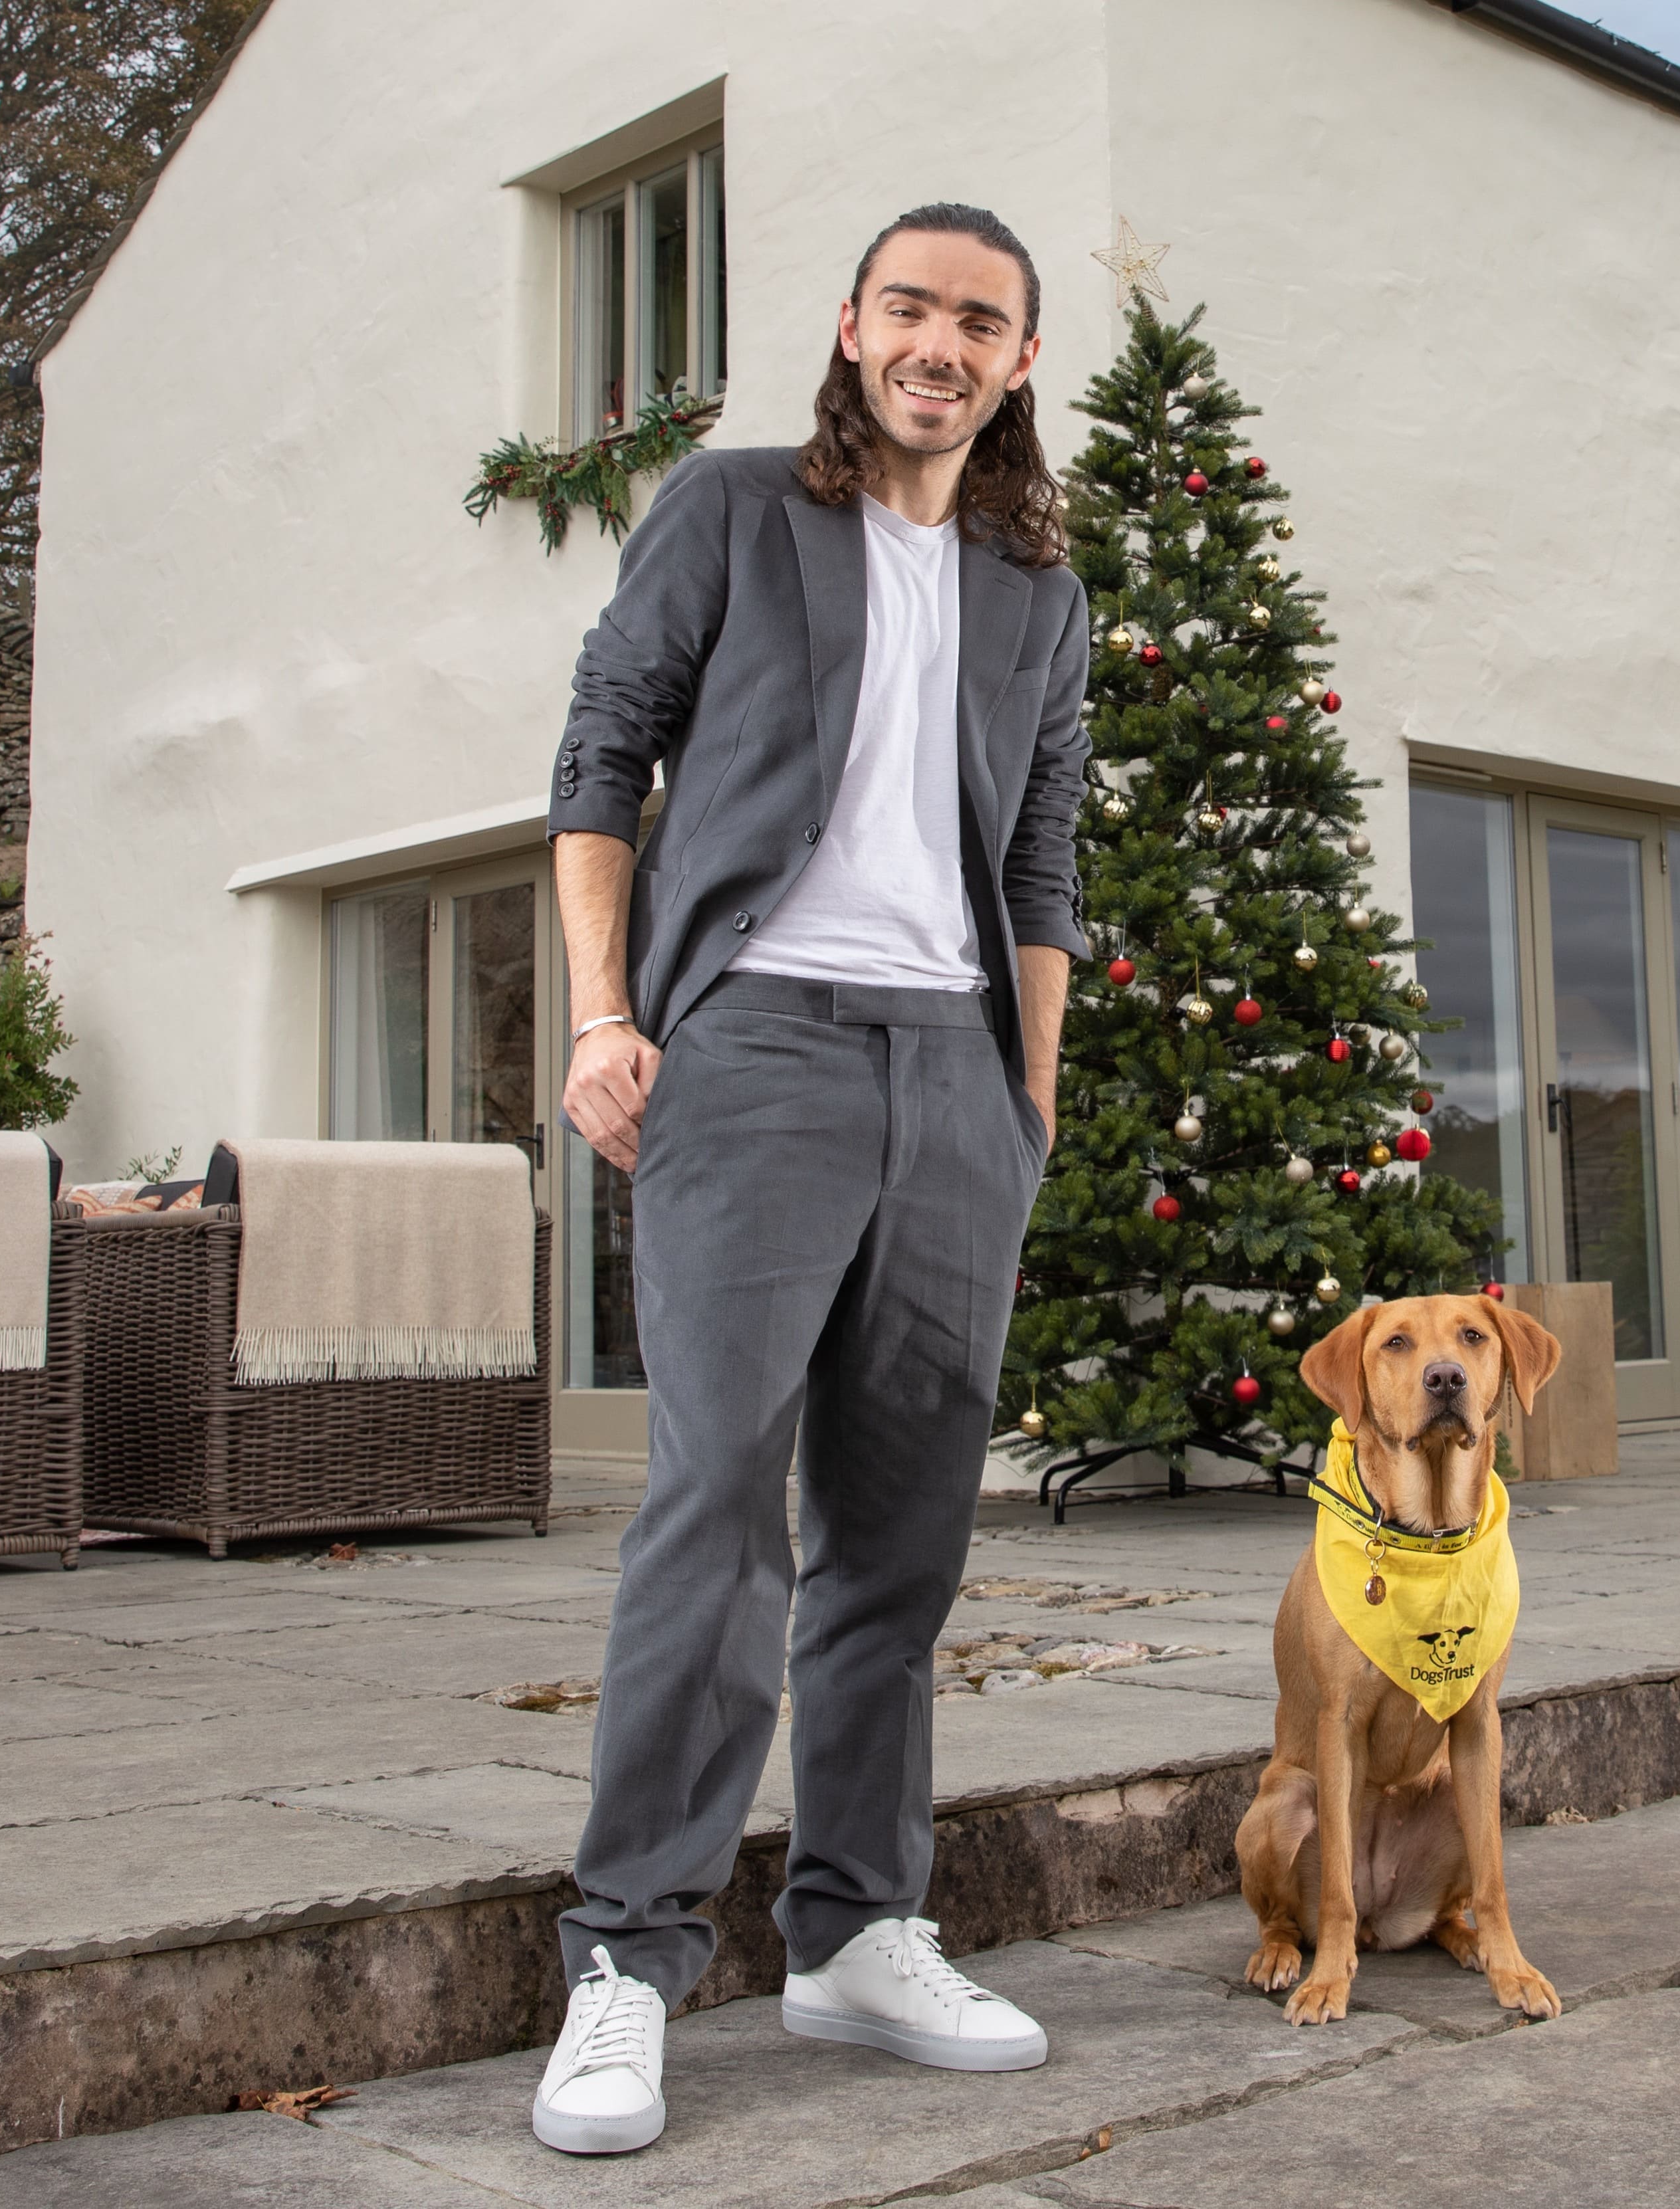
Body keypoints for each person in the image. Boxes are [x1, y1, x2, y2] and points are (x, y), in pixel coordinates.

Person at [535, 201, 1089, 2156]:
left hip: (952, 1079)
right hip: (751, 1042)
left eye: (984, 321)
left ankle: (859, 1928)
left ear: (1022, 361)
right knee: (713, 1504)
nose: (943, 342)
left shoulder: (1038, 581)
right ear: (854, 326)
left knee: (901, 1529)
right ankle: (627, 1956)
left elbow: (1039, 865)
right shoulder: (734, 506)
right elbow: (602, 753)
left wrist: (1020, 1099)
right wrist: (608, 1015)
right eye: (914, 306)